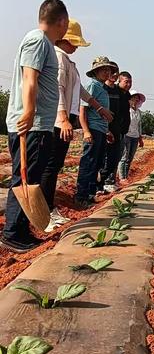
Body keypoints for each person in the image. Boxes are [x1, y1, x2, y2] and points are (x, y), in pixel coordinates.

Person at [0, 0, 69, 253]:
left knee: (31, 176)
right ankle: (13, 234)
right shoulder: (38, 40)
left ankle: (19, 229)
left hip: (39, 124)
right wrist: (29, 112)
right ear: (62, 21)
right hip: (34, 124)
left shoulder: (44, 42)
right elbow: (30, 78)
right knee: (25, 178)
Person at [40, 19, 113, 232]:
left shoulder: (67, 61)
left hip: (63, 120)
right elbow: (58, 89)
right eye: (75, 42)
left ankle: (49, 208)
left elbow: (81, 91)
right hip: (57, 121)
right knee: (51, 166)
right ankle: (46, 211)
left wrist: (99, 108)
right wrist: (63, 119)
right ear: (66, 39)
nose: (77, 47)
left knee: (55, 166)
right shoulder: (59, 60)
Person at [74, 57, 116, 209]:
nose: (107, 72)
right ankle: (81, 196)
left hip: (100, 130)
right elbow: (83, 109)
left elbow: (101, 114)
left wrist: (107, 130)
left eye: (109, 70)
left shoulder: (101, 88)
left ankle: (90, 194)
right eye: (104, 69)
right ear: (95, 71)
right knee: (89, 162)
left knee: (97, 162)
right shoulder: (92, 85)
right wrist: (86, 131)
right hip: (92, 129)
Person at [99, 61, 122, 193]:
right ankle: (100, 184)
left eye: (115, 72)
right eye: (110, 72)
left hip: (116, 129)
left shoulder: (118, 91)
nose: (113, 74)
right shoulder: (102, 89)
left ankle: (106, 181)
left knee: (114, 158)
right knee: (102, 158)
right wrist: (106, 129)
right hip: (104, 128)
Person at [118, 91, 145, 180]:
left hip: (135, 137)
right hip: (127, 135)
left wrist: (140, 139)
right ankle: (122, 178)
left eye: (138, 99)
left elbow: (139, 126)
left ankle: (126, 176)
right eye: (135, 99)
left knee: (130, 158)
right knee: (124, 157)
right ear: (130, 99)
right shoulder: (127, 110)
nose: (137, 101)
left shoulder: (138, 112)